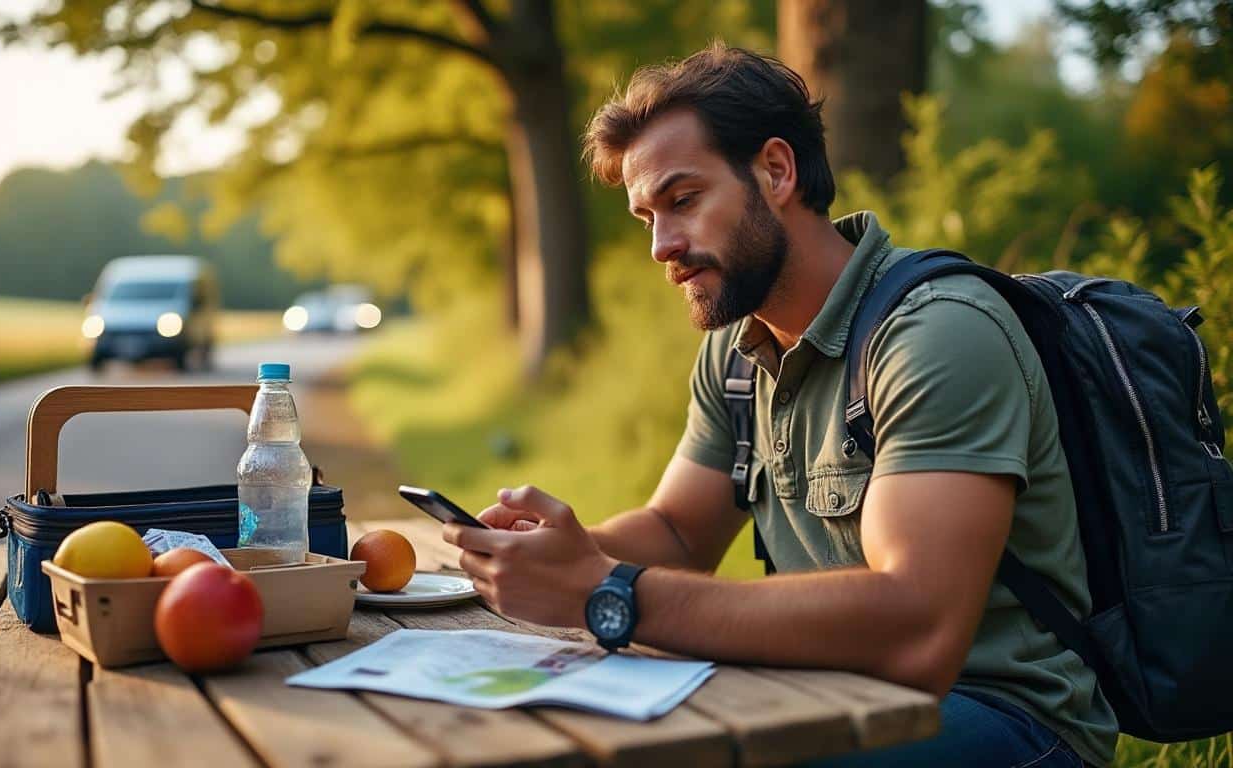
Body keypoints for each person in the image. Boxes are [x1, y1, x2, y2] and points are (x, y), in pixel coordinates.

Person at [442, 43, 1117, 767]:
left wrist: (608, 592)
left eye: (683, 200)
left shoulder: (937, 333)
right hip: (824, 693)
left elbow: (918, 632)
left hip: (999, 717)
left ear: (775, 171)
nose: (662, 246)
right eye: (646, 217)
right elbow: (677, 533)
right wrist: (557, 554)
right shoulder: (737, 347)